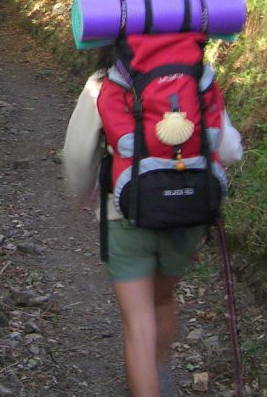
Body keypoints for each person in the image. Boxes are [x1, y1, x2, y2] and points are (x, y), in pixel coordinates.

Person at [63, 43, 242, 397]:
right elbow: (231, 150)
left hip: (124, 213)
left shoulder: (104, 82)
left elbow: (76, 155)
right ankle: (160, 375)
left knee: (137, 325)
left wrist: (81, 191)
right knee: (162, 300)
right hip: (187, 214)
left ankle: (148, 385)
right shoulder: (197, 77)